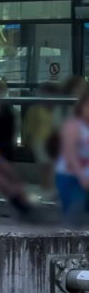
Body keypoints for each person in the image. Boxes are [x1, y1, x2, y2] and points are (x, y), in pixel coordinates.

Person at [57, 81, 89, 225]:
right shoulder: (73, 125)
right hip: (70, 176)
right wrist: (82, 177)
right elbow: (70, 156)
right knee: (75, 216)